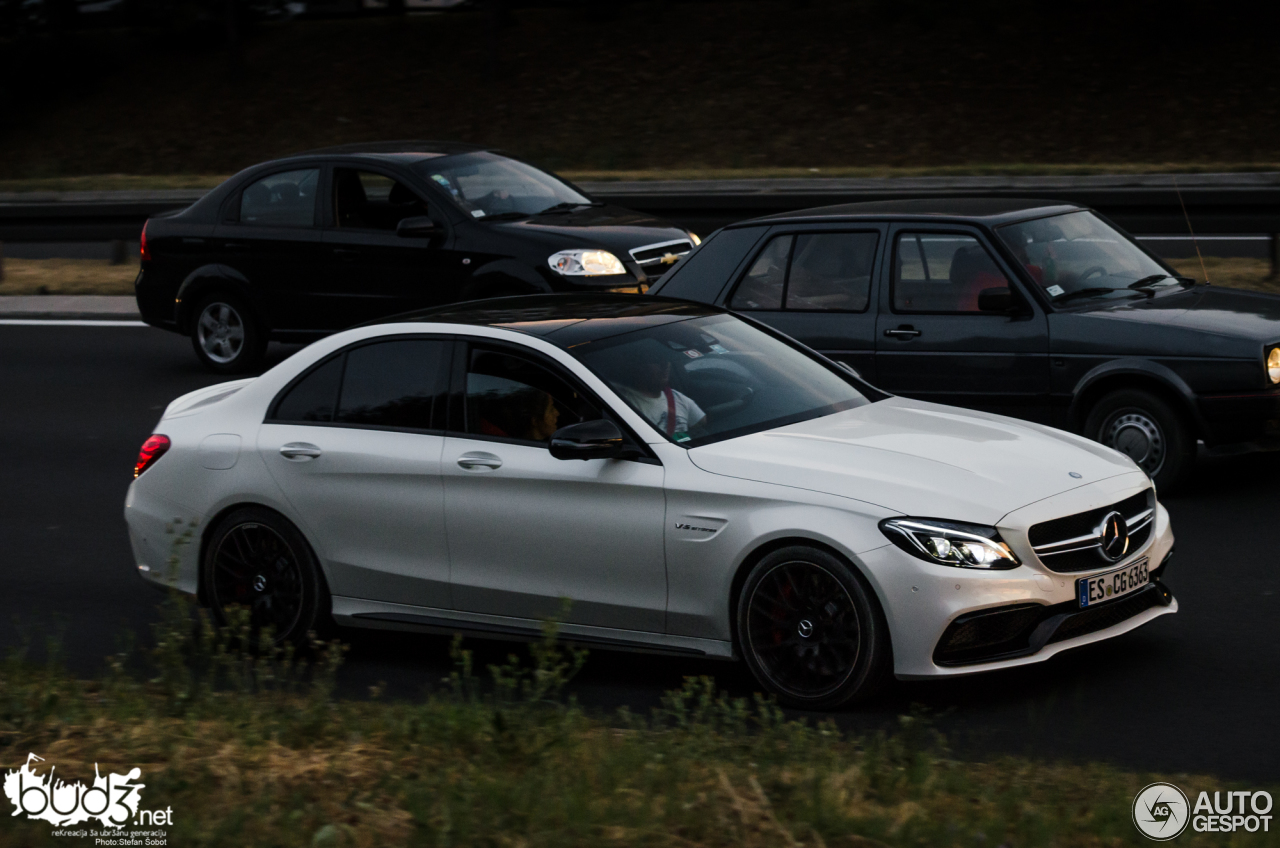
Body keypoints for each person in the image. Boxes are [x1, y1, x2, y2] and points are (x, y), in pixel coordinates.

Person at [615, 359, 706, 440]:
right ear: (639, 368)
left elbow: (705, 425)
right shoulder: (623, 403)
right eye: (657, 361)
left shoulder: (677, 397)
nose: (665, 365)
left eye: (666, 360)